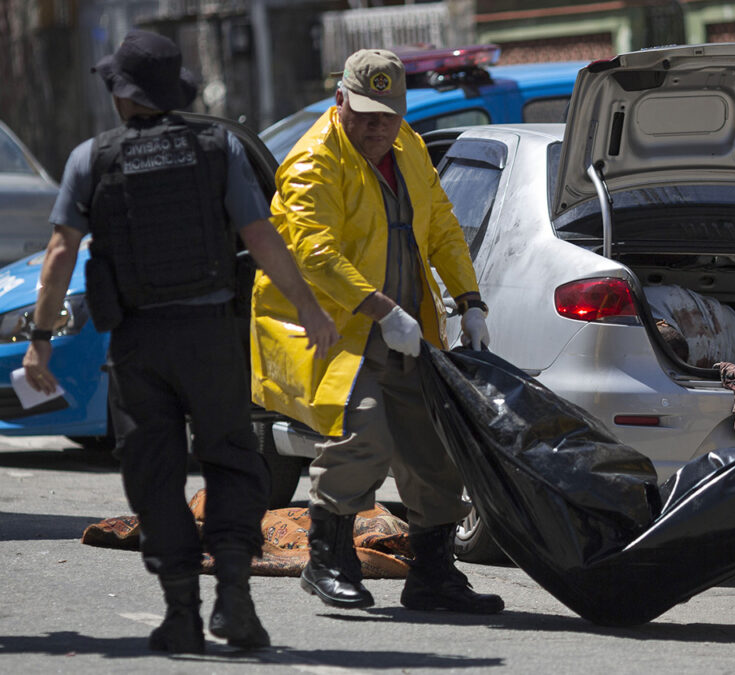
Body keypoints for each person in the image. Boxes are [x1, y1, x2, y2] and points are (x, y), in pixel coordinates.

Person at [21, 30, 339, 654]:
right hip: (213, 337)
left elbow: (60, 253)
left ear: (121, 92)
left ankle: (182, 614)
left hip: (139, 343)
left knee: (155, 473)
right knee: (231, 461)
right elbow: (261, 234)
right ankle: (236, 604)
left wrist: (39, 341)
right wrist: (309, 307)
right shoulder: (217, 145)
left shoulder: (93, 157)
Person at [249, 48, 502, 615]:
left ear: (402, 111)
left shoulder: (408, 146)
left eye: (386, 115)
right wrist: (384, 310)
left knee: (433, 450)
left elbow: (441, 227)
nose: (375, 127)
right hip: (340, 331)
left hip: (406, 330)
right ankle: (327, 562)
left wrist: (470, 300)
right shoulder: (313, 160)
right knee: (363, 435)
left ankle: (434, 573)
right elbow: (314, 253)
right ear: (340, 101)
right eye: (363, 113)